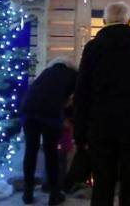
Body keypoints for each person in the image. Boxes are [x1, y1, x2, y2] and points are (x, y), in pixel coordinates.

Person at [74, 2, 130, 206]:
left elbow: (82, 93)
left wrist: (80, 134)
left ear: (104, 21)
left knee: (103, 185)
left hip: (100, 125)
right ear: (128, 21)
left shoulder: (93, 48)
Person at [20, 57, 77, 205]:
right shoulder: (73, 75)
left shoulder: (46, 72)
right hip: (50, 114)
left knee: (30, 150)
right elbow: (72, 100)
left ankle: (28, 193)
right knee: (51, 152)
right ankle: (54, 194)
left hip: (29, 110)